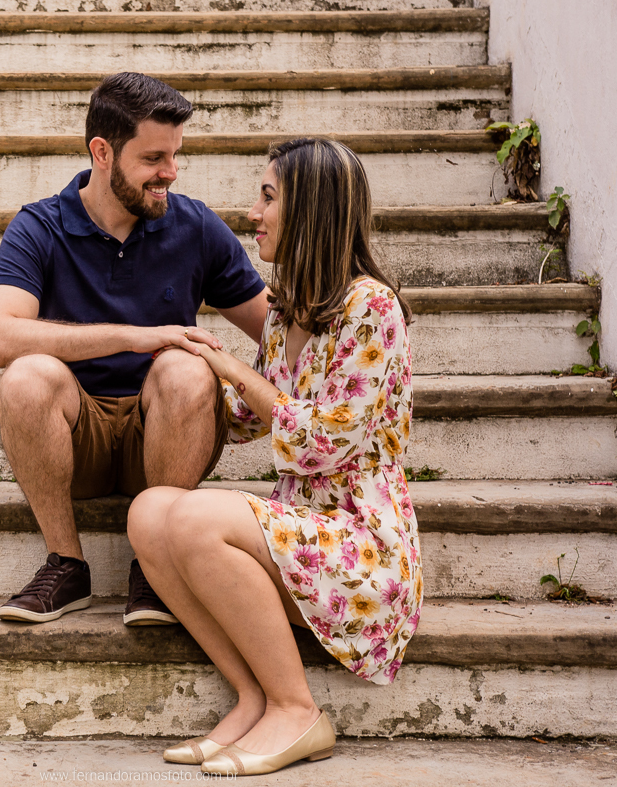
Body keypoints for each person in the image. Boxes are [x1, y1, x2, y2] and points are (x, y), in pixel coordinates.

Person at [127, 138, 422, 776]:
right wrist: (182, 373)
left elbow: (325, 440)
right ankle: (253, 698)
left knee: (195, 518)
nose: (252, 213)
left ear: (311, 208)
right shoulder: (289, 310)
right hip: (301, 538)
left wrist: (234, 368)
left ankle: (297, 710)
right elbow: (241, 419)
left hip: (361, 551)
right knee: (150, 512)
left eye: (267, 197)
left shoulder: (371, 308)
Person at [0, 72, 269, 626]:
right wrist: (135, 335)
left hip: (166, 434)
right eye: (154, 158)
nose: (171, 172)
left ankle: (156, 565)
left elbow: (274, 331)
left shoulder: (195, 226)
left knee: (186, 369)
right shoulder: (39, 225)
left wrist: (358, 306)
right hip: (77, 440)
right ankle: (66, 565)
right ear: (103, 153)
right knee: (26, 375)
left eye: (175, 156)